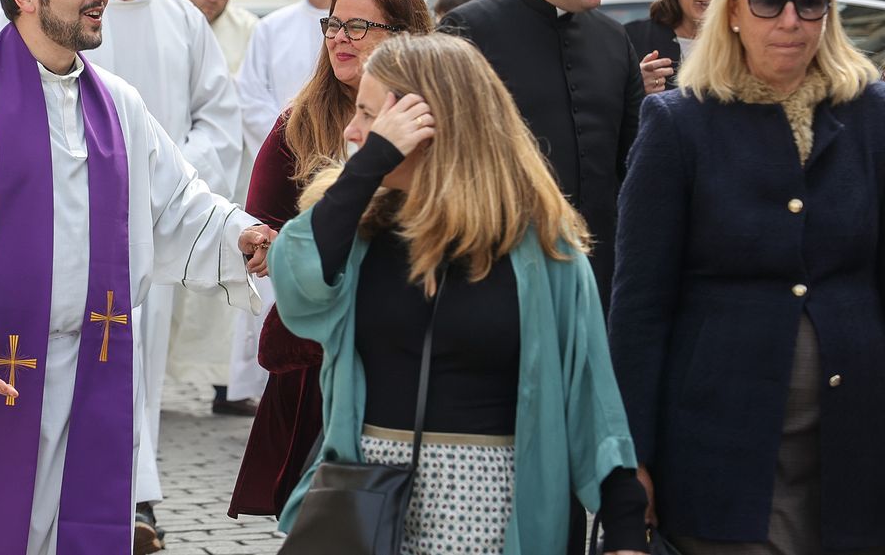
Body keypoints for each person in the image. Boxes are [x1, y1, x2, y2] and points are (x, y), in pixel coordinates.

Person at [0, 0, 272, 555]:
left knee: (81, 528)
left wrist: (239, 233)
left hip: (95, 360)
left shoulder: (117, 102)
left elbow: (177, 201)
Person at [269, 32, 648, 555]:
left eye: (369, 114)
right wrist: (371, 162)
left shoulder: (543, 247)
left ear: (429, 126)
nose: (352, 131)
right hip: (369, 507)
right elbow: (296, 282)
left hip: (498, 508)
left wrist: (626, 529)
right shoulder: (359, 233)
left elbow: (590, 397)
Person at [610, 0, 885, 555]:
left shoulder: (869, 114)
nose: (790, 18)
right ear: (733, 8)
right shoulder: (679, 122)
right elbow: (639, 307)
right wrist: (631, 457)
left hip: (856, 443)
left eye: (810, 1)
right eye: (769, 0)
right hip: (719, 448)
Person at [230, 0, 433, 518]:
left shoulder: (436, 119)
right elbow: (263, 225)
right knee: (327, 519)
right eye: (333, 24)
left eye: (359, 25)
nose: (340, 37)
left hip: (414, 343)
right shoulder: (300, 123)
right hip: (318, 347)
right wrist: (275, 245)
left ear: (405, 35)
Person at [85, 0, 243, 547]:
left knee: (138, 363)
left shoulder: (182, 18)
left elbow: (220, 113)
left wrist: (174, 166)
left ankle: (137, 498)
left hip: (153, 222)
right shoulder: (80, 10)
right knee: (88, 360)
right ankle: (107, 497)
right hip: (81, 216)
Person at [440, 0, 643, 305]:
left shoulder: (613, 38)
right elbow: (444, 155)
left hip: (599, 273)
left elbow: (634, 155)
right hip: (501, 269)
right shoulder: (468, 28)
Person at [181, 0, 270, 419]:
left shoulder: (249, 30)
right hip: (175, 158)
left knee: (219, 282)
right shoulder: (172, 21)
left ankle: (222, 383)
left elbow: (251, 101)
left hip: (229, 169)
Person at [237, 0, 361, 154]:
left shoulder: (364, 28)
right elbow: (251, 97)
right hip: (287, 155)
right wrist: (293, 142)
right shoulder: (271, 27)